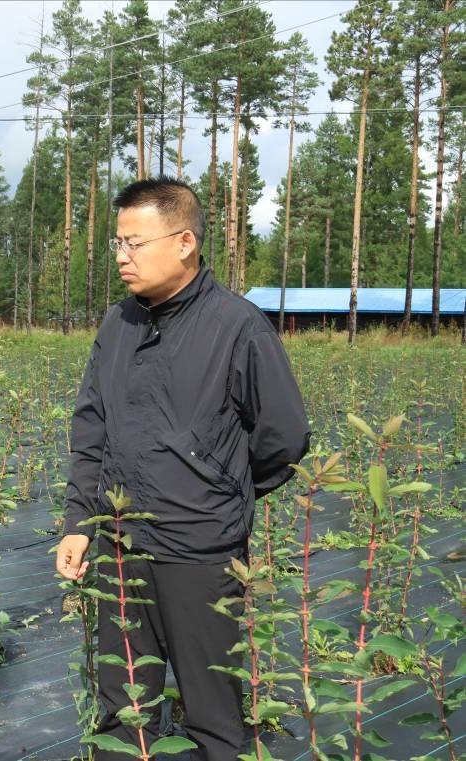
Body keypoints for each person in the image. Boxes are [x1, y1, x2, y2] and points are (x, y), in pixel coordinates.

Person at [55, 177, 310, 761]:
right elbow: (91, 429)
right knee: (123, 711)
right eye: (117, 244)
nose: (122, 257)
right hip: (120, 545)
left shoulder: (238, 327)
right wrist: (78, 524)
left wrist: (219, 487)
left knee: (212, 714)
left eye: (135, 243)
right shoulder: (118, 324)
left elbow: (284, 437)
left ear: (185, 242)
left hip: (200, 552)